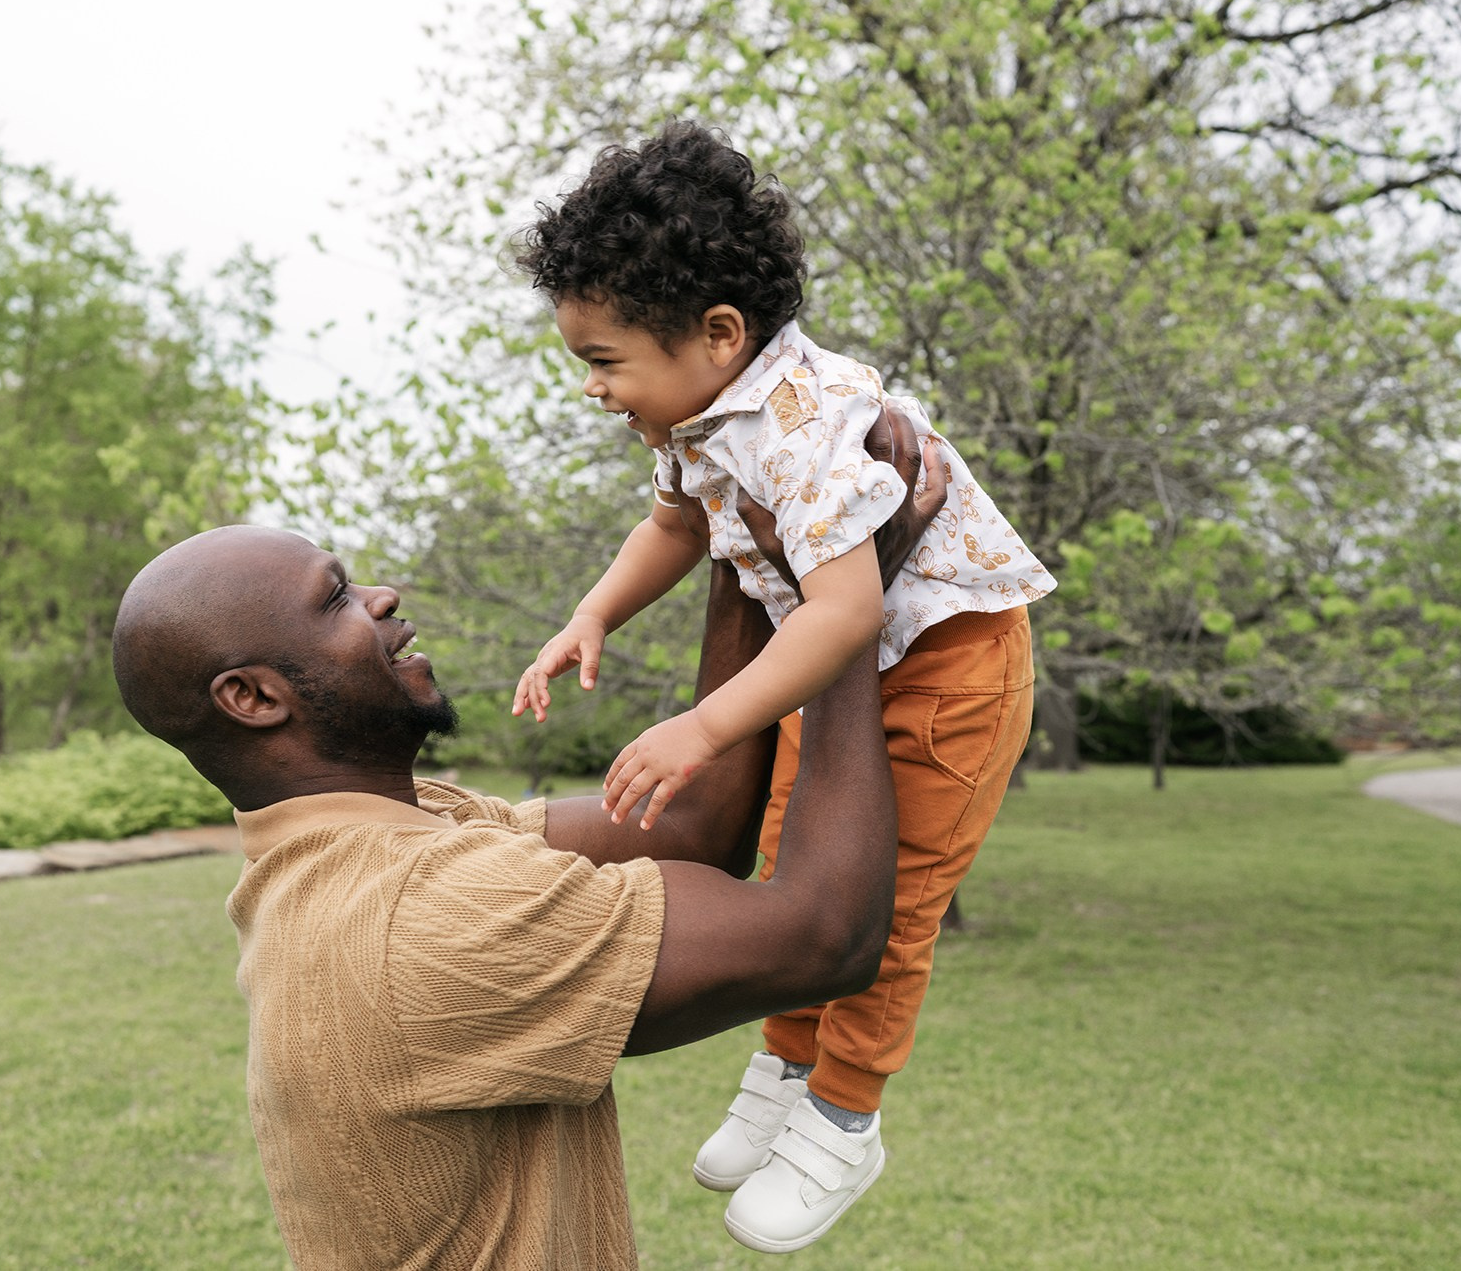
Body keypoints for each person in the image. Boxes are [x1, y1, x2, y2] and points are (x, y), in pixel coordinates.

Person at [109, 416, 936, 1270]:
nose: (381, 597)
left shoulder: (394, 832)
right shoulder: (418, 913)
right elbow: (823, 933)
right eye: (336, 599)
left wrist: (740, 539)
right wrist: (844, 590)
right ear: (252, 697)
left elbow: (692, 827)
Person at [510, 120, 1056, 1252]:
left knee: (888, 901)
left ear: (718, 333)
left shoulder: (803, 423)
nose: (596, 391)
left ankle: (843, 1117)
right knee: (793, 852)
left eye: (604, 360)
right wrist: (592, 611)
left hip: (947, 667)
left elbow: (847, 611)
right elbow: (674, 522)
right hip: (836, 666)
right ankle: (785, 1061)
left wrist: (700, 727)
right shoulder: (703, 416)